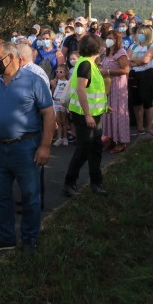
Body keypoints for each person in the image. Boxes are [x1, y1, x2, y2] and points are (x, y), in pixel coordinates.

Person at [0, 42, 55, 253]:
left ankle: (29, 239)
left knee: (29, 196)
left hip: (26, 147)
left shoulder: (34, 81)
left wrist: (45, 146)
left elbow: (48, 114)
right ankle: (5, 237)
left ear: (11, 58)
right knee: (0, 194)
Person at [62, 35, 108, 197]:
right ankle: (69, 183)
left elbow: (92, 90)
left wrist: (104, 106)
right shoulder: (86, 64)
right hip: (84, 115)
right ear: (96, 49)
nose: (103, 49)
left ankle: (96, 182)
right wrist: (88, 114)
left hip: (93, 113)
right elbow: (81, 90)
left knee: (96, 148)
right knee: (83, 149)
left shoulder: (89, 63)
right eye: (101, 46)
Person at [100, 30, 130, 154]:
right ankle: (111, 139)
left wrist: (107, 72)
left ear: (117, 40)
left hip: (118, 87)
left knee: (118, 112)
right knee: (108, 113)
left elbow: (126, 70)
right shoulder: (107, 52)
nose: (108, 40)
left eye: (110, 38)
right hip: (108, 87)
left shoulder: (121, 53)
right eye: (107, 38)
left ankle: (121, 142)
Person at [128, 25, 153, 139]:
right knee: (136, 103)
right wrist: (138, 62)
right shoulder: (133, 46)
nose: (139, 35)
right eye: (138, 33)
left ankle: (150, 129)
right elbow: (127, 59)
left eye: (142, 33)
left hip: (147, 75)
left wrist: (135, 61)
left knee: (147, 102)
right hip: (134, 75)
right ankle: (140, 127)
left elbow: (146, 60)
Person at [50, 65, 69, 147]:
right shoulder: (56, 82)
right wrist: (54, 86)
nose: (58, 73)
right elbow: (52, 93)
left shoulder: (68, 83)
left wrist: (65, 104)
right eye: (57, 71)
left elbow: (68, 94)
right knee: (58, 121)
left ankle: (65, 137)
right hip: (56, 103)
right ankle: (59, 138)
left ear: (65, 73)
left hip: (63, 103)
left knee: (64, 121)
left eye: (61, 72)